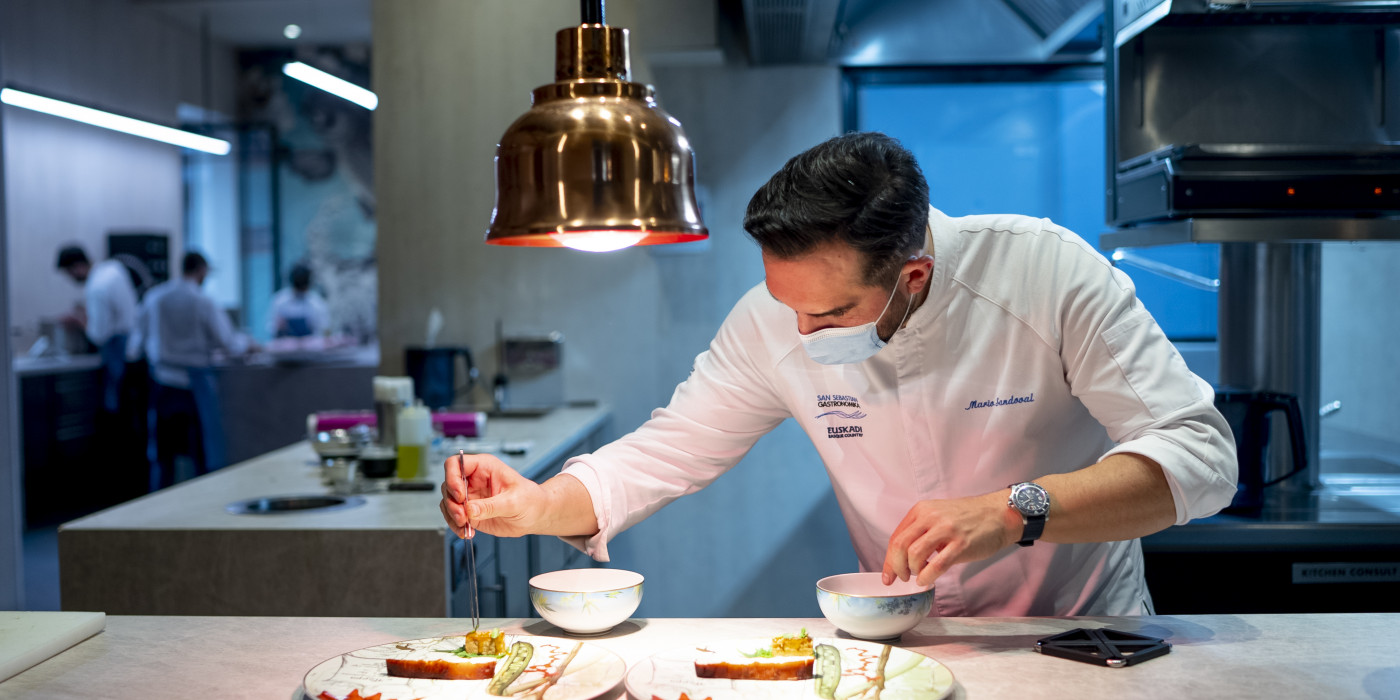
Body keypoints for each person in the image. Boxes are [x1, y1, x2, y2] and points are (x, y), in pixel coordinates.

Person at [439, 132, 1238, 616]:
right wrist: (541, 503)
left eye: (827, 315)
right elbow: (666, 451)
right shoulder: (774, 318)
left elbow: (1201, 456)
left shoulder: (1046, 272)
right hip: (905, 635)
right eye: (788, 307)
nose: (800, 333)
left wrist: (1013, 510)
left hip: (1079, 634)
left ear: (912, 276)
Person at [133, 251, 246, 488]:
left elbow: (135, 345)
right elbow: (227, 341)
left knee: (163, 456)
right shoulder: (202, 300)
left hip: (162, 382)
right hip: (193, 385)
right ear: (202, 270)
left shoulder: (155, 297)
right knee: (201, 453)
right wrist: (248, 345)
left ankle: (157, 509)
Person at [56, 245, 139, 412]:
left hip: (117, 350)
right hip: (135, 347)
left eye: (69, 274)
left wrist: (79, 320)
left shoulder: (95, 288)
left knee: (114, 408)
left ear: (77, 267)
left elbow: (98, 335)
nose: (71, 278)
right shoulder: (114, 268)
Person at [268, 262, 330, 338]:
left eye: (303, 288)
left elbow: (324, 329)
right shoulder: (280, 301)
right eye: (298, 288)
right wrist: (279, 327)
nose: (300, 292)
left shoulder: (316, 303)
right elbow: (271, 326)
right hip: (286, 346)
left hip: (311, 346)